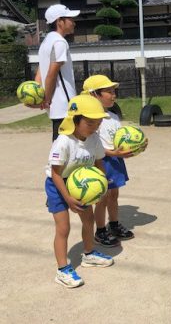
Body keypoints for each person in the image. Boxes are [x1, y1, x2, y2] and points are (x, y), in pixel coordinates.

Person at [46, 94, 114, 288]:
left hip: (82, 182)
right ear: (74, 119)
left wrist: (102, 185)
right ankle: (62, 270)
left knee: (89, 220)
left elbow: (99, 162)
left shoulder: (94, 139)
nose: (95, 127)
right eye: (90, 123)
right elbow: (56, 173)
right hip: (58, 184)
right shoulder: (63, 141)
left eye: (98, 122)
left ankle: (89, 254)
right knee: (63, 228)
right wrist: (67, 198)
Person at [82, 75, 139, 247]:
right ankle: (100, 231)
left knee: (114, 194)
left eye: (114, 91)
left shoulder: (113, 116)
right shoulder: (90, 119)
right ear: (93, 95)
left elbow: (120, 139)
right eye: (109, 92)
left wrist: (137, 144)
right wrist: (113, 153)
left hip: (115, 160)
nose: (113, 95)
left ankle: (113, 224)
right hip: (101, 161)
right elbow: (92, 146)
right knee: (102, 198)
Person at [35, 4, 80, 141]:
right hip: (64, 105)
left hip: (56, 105)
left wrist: (39, 95)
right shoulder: (59, 42)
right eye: (70, 19)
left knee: (60, 144)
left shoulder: (46, 42)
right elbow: (52, 72)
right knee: (67, 146)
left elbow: (40, 71)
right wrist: (47, 98)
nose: (74, 22)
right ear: (60, 21)